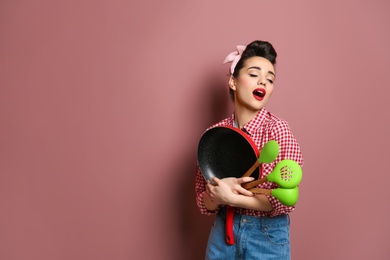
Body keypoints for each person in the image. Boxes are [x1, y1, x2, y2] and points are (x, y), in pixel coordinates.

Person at [195, 40, 304, 260]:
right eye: (254, 74)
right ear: (234, 82)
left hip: (267, 235)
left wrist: (234, 198)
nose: (263, 81)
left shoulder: (278, 130)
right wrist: (217, 194)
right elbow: (203, 201)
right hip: (223, 231)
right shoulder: (215, 135)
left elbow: (283, 201)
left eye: (270, 78)